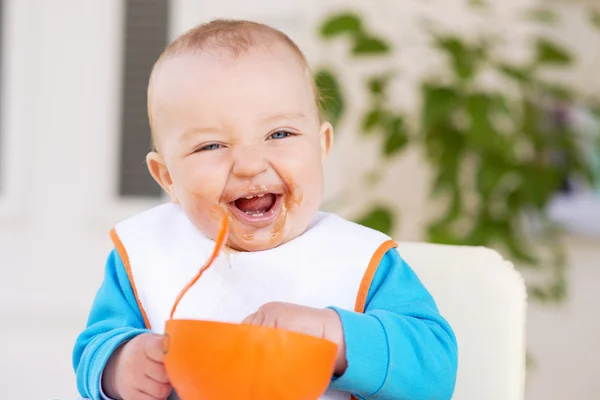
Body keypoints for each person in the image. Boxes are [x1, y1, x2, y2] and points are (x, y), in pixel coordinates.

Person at [73, 19, 458, 400]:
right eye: (211, 146)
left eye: (279, 134)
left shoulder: (360, 261)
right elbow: (94, 348)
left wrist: (335, 336)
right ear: (167, 177)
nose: (250, 165)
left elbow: (435, 371)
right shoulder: (146, 254)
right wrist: (118, 366)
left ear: (321, 147)